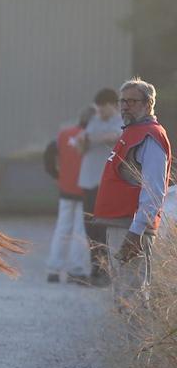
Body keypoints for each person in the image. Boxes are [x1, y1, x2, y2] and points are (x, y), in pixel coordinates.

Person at [93, 78, 170, 298]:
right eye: (122, 101)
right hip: (121, 226)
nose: (125, 106)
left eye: (132, 101)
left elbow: (154, 191)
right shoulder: (132, 132)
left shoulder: (150, 136)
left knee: (132, 296)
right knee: (124, 294)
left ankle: (133, 334)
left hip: (130, 229)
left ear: (148, 104)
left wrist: (135, 234)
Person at [76, 88, 121, 287]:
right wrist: (85, 141)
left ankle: (107, 271)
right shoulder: (94, 121)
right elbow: (81, 146)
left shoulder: (120, 121)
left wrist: (90, 139)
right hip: (88, 181)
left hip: (107, 184)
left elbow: (113, 137)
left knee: (104, 228)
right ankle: (95, 269)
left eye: (103, 108)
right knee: (90, 228)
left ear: (113, 105)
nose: (100, 111)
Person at [45, 107, 93, 283]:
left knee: (62, 229)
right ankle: (76, 270)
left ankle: (53, 269)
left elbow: (48, 156)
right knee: (80, 230)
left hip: (65, 188)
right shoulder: (91, 137)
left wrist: (57, 175)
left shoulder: (63, 135)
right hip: (86, 189)